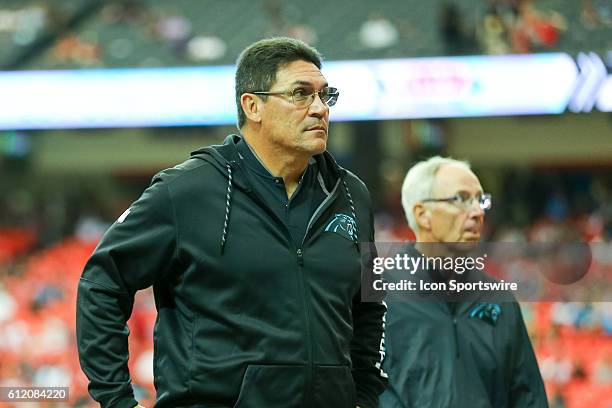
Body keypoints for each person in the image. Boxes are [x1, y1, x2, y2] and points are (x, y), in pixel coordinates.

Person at [76, 37, 387, 408]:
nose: (319, 109)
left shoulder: (352, 194)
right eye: (301, 94)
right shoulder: (186, 190)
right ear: (252, 105)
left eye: (325, 95)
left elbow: (369, 307)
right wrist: (116, 401)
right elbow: (101, 284)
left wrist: (365, 396)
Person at [379, 156, 548, 407]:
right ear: (422, 214)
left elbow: (527, 397)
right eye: (460, 199)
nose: (477, 211)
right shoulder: (376, 295)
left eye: (480, 200)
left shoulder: (498, 299)